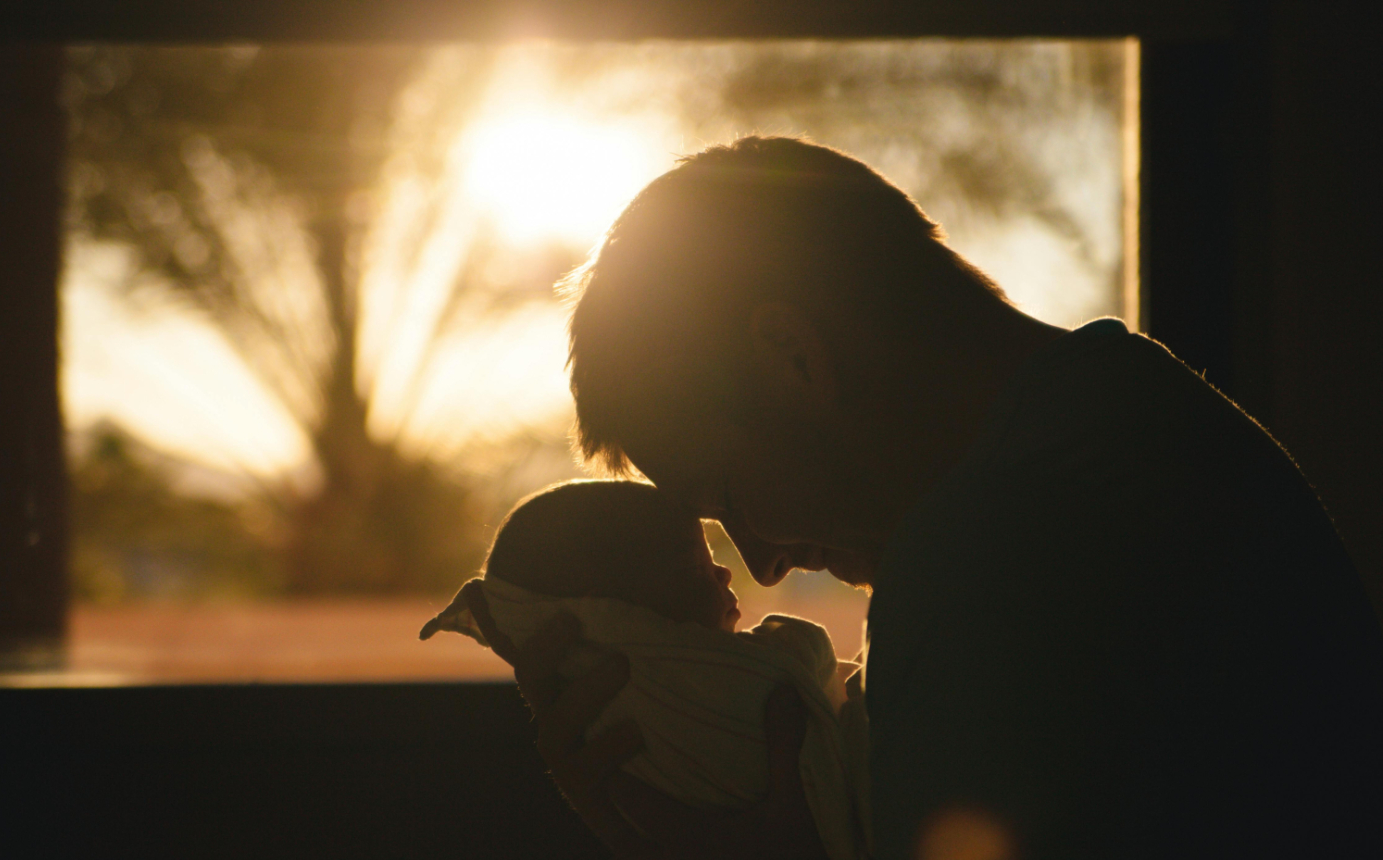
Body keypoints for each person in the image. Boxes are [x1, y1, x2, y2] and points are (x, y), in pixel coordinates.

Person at [473, 137, 1383, 859]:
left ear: (794, 356)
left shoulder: (990, 557)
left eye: (728, 496)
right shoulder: (1147, 417)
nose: (760, 562)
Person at [421, 479, 871, 859]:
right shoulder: (693, 689)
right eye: (695, 568)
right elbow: (805, 661)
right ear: (618, 620)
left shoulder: (615, 736)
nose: (736, 572)